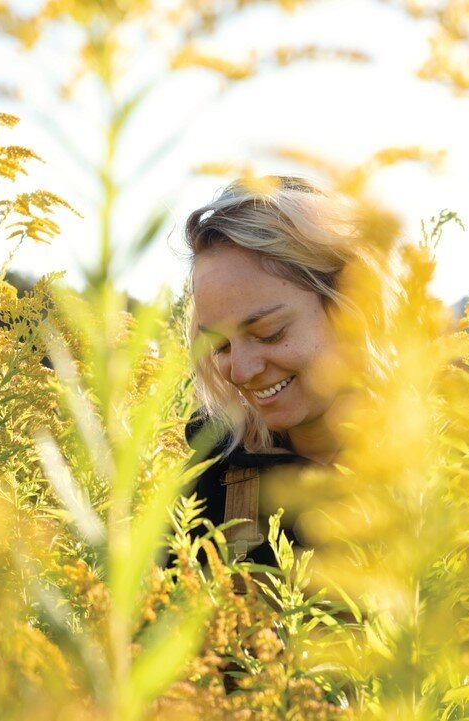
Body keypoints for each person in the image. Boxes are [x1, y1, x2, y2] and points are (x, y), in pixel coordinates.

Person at [179, 175, 396, 572]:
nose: (242, 371)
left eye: (269, 333)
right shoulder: (211, 472)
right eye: (221, 346)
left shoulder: (466, 476)